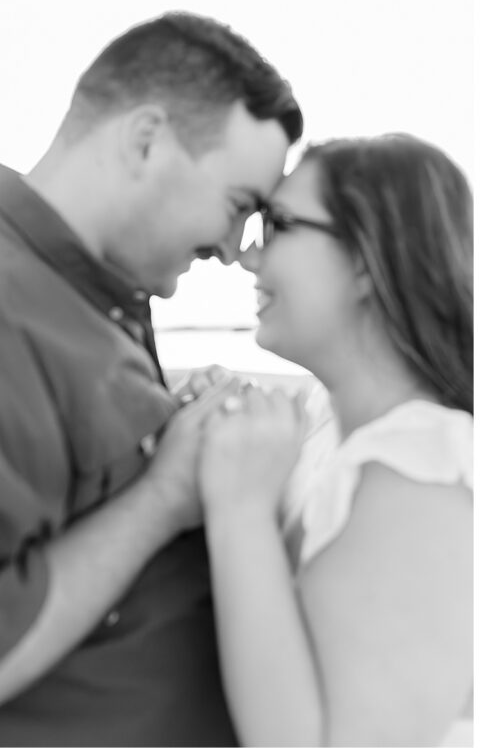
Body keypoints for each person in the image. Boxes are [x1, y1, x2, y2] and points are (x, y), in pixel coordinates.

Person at [0, 11, 303, 745]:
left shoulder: (99, 286)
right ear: (146, 138)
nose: (231, 247)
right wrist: (162, 497)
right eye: (238, 205)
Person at [187, 134, 472, 745]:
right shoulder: (327, 426)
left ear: (367, 259)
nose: (249, 256)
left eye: (280, 224)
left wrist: (239, 509)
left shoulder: (424, 468)